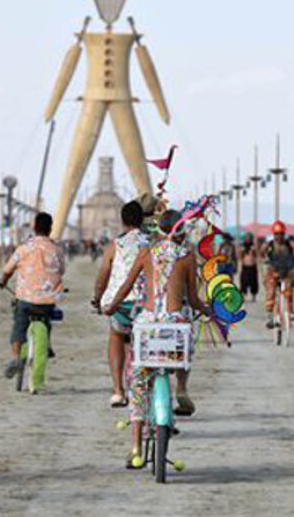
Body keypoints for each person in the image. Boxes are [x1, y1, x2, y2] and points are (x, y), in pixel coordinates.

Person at [102, 209, 209, 468]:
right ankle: (182, 387)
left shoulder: (146, 253)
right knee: (186, 345)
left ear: (158, 229)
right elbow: (193, 299)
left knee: (139, 383)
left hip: (148, 324)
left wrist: (112, 306)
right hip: (174, 326)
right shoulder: (187, 256)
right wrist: (208, 311)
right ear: (181, 232)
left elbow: (126, 286)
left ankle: (136, 446)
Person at [92, 201, 149, 408]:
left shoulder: (115, 245)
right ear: (142, 220)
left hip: (122, 305)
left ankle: (118, 391)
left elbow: (103, 277)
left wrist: (98, 299)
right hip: (148, 305)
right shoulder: (151, 243)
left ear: (122, 221)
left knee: (116, 335)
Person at [0, 212, 65, 377]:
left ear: (34, 227)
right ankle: (46, 344)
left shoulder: (24, 248)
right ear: (50, 229)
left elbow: (7, 270)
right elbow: (61, 271)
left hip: (25, 298)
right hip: (48, 299)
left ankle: (15, 357)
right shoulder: (56, 249)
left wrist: (3, 281)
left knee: (19, 324)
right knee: (47, 319)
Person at [263, 220, 294, 328]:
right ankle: (270, 315)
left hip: (287, 271)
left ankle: (290, 311)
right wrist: (263, 250)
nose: (279, 237)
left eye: (281, 234)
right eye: (276, 234)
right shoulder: (270, 244)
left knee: (288, 292)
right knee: (271, 292)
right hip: (273, 271)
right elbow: (262, 252)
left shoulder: (289, 243)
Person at [239, 234, 260, 302]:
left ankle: (253, 296)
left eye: (249, 238)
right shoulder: (243, 247)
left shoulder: (253, 247)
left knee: (253, 282)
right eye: (246, 238)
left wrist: (254, 250)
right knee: (244, 282)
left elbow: (257, 255)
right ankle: (244, 295)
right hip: (245, 267)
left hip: (252, 267)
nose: (248, 240)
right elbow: (240, 256)